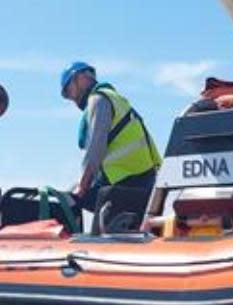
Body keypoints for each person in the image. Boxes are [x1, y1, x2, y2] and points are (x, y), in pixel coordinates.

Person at [59, 61, 162, 214]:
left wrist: (82, 187)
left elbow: (96, 149)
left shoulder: (98, 99)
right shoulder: (115, 98)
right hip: (144, 179)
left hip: (126, 180)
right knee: (76, 195)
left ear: (80, 78)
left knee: (71, 202)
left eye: (69, 91)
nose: (72, 99)